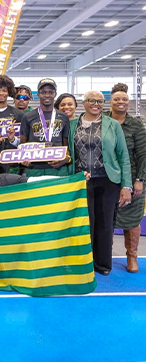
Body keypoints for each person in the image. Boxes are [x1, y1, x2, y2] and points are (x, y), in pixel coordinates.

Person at [68, 90, 132, 276]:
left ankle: (103, 264)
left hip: (108, 180)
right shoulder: (73, 124)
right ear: (84, 102)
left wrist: (126, 186)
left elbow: (123, 156)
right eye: (92, 100)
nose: (96, 104)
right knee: (83, 223)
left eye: (100, 101)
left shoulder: (112, 125)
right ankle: (84, 263)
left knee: (105, 224)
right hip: (81, 180)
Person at [107, 83, 146, 273]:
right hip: (107, 178)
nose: (120, 102)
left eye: (124, 99)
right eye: (117, 99)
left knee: (132, 220)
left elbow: (143, 155)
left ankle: (132, 256)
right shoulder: (103, 120)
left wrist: (140, 180)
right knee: (105, 219)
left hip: (132, 179)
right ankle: (104, 255)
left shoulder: (136, 125)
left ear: (128, 103)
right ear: (110, 101)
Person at [20, 78, 71, 177]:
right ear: (38, 94)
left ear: (55, 94)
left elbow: (66, 145)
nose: (47, 95)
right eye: (43, 92)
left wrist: (65, 159)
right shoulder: (28, 116)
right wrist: (24, 159)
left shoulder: (63, 117)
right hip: (34, 168)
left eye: (50, 92)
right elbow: (22, 144)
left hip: (58, 168)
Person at [0, 75, 23, 173]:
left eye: (4, 90)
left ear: (9, 92)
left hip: (13, 164)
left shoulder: (18, 114)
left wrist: (12, 139)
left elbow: (24, 140)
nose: (1, 93)